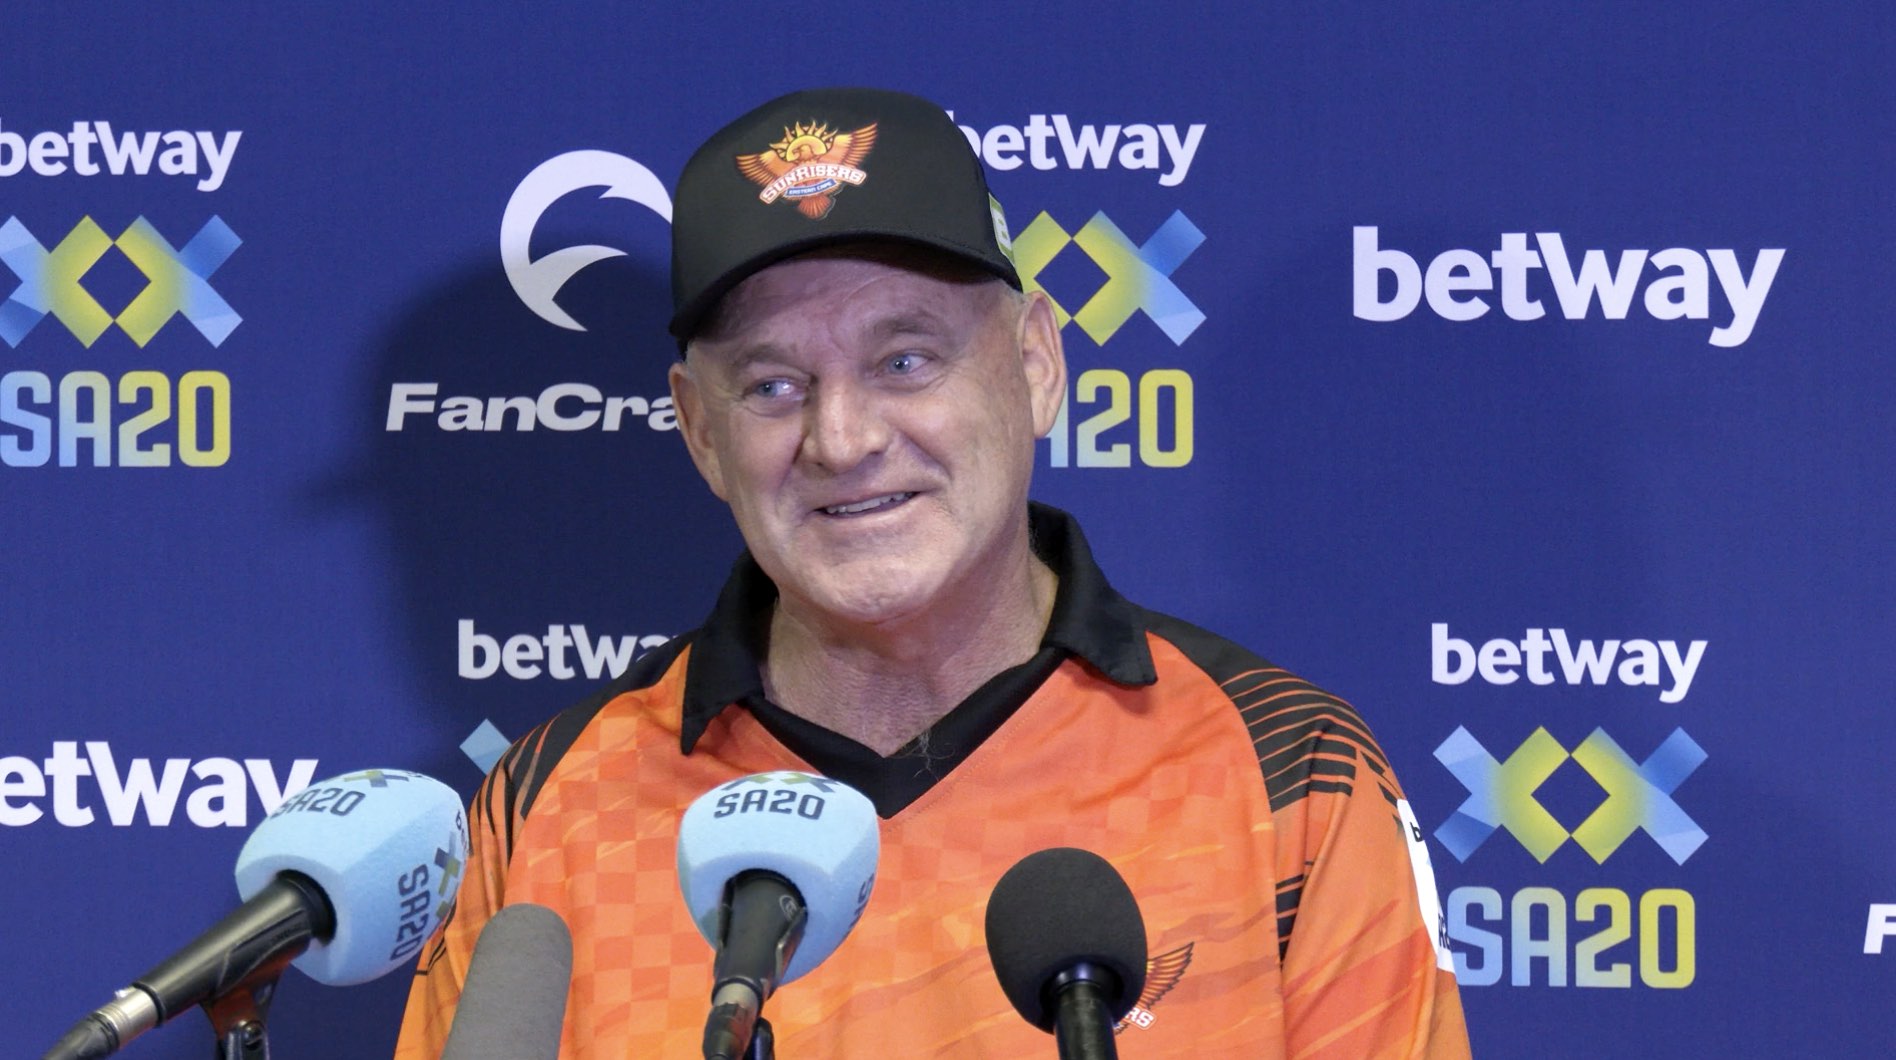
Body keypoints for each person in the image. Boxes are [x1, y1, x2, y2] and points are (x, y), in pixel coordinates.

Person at [394, 86, 1470, 1058]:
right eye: (772, 386)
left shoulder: (1287, 770)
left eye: (905, 360)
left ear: (1036, 365)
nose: (843, 438)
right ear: (700, 432)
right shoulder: (550, 807)